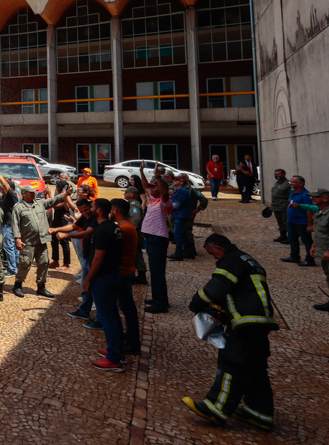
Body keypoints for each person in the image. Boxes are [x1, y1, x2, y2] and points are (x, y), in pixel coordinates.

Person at [182, 234, 277, 431]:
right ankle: (259, 413)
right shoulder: (249, 260)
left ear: (218, 248)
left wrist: (196, 302)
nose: (214, 259)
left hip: (245, 321)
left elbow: (216, 289)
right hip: (262, 321)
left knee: (232, 362)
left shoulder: (230, 260)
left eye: (213, 254)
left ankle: (216, 408)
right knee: (255, 368)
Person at [85, 198, 126, 372]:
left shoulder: (102, 230)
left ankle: (113, 359)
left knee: (107, 317)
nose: (90, 209)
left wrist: (88, 279)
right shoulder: (116, 228)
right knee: (114, 316)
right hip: (115, 274)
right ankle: (116, 350)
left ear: (99, 210)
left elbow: (98, 258)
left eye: (92, 207)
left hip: (104, 278)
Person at [10, 186, 66, 298]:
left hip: (42, 240)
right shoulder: (19, 207)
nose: (33, 194)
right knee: (25, 263)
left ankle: (41, 287)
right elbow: (15, 224)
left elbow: (53, 201)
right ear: (24, 193)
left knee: (44, 262)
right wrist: (17, 239)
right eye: (31, 193)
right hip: (28, 241)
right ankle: (18, 285)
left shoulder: (40, 203)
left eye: (34, 192)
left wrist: (65, 194)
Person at [59, 198, 100, 326]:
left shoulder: (97, 220)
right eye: (82, 211)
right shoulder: (85, 217)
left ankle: (100, 320)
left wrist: (67, 235)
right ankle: (84, 311)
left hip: (94, 258)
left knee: (96, 289)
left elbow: (87, 234)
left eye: (86, 210)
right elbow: (75, 226)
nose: (84, 213)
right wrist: (55, 230)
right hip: (88, 256)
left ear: (93, 207)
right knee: (85, 285)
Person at [140, 161, 173, 314]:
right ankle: (157, 298)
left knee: (157, 272)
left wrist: (158, 176)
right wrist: (141, 172)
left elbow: (165, 192)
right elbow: (145, 186)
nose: (151, 189)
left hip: (158, 238)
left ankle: (161, 304)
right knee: (154, 271)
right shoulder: (153, 200)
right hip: (152, 239)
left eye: (155, 187)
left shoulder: (164, 202)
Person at [110, 199, 140, 357]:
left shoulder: (123, 229)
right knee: (127, 307)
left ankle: (133, 341)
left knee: (127, 308)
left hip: (123, 272)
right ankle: (130, 337)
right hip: (126, 271)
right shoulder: (127, 226)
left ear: (115, 210)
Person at [292, 188, 329, 311]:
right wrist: (314, 245)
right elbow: (320, 232)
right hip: (323, 252)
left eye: (315, 197)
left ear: (325, 199)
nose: (312, 198)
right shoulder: (321, 211)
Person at [283, 175, 315, 266]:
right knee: (292, 239)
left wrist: (309, 224)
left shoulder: (305, 195)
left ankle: (310, 260)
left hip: (301, 222)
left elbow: (310, 210)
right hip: (291, 221)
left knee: (307, 241)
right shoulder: (293, 192)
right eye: (291, 181)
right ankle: (294, 256)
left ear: (301, 183)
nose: (291, 183)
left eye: (293, 182)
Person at [49, 173, 75, 269]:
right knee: (53, 240)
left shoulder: (65, 197)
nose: (56, 189)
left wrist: (49, 194)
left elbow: (55, 205)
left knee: (64, 242)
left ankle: (66, 264)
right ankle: (55, 261)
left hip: (63, 220)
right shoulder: (60, 196)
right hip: (56, 220)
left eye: (56, 187)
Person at [168, 175, 196, 261]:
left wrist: (166, 207)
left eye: (176, 179)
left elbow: (176, 205)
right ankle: (189, 252)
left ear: (181, 182)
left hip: (181, 215)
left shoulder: (182, 191)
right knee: (182, 234)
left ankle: (178, 253)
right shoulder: (179, 190)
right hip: (179, 215)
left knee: (178, 234)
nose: (173, 180)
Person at [125, 185, 148, 285]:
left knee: (135, 254)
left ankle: (139, 276)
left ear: (131, 194)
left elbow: (136, 218)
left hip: (135, 233)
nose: (124, 194)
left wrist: (130, 230)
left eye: (126, 192)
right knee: (137, 254)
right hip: (137, 233)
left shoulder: (133, 204)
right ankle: (140, 275)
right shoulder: (133, 203)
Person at [269, 169, 290, 244]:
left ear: (284, 174)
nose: (276, 176)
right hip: (276, 206)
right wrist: (271, 205)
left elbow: (290, 195)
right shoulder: (277, 183)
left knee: (286, 222)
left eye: (278, 174)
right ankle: (282, 235)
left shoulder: (288, 184)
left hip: (284, 206)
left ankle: (290, 237)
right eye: (275, 174)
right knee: (280, 222)